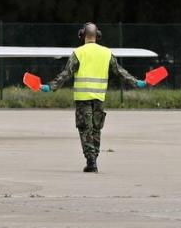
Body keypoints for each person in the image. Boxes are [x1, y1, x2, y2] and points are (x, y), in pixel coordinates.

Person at [39, 22, 147, 172]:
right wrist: (136, 82)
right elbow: (120, 71)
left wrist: (50, 86)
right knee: (96, 129)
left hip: (83, 97)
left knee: (85, 129)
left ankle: (91, 162)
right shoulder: (106, 53)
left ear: (82, 35)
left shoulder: (79, 53)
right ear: (98, 35)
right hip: (99, 97)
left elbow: (66, 74)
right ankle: (94, 159)